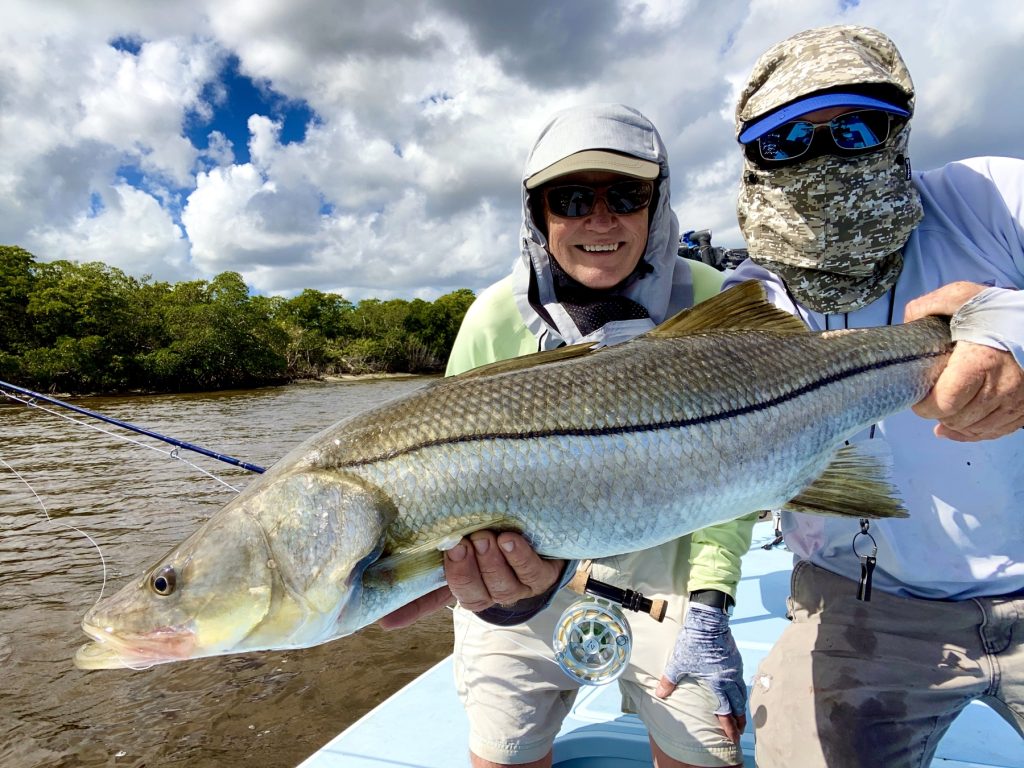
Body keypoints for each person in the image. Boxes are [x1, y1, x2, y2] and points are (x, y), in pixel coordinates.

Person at [382, 103, 755, 767]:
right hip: (521, 583)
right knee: (503, 754)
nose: (600, 220)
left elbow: (744, 466)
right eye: (572, 198)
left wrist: (710, 602)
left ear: (657, 200)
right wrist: (496, 599)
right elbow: (445, 485)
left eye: (627, 195)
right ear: (539, 215)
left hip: (668, 582)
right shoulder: (492, 319)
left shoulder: (714, 299)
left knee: (705, 754)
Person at [725, 24, 1024, 768]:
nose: (824, 160)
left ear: (900, 132)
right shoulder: (746, 308)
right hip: (862, 603)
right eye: (788, 142)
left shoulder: (994, 199)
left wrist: (1014, 327)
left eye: (856, 128)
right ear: (755, 162)